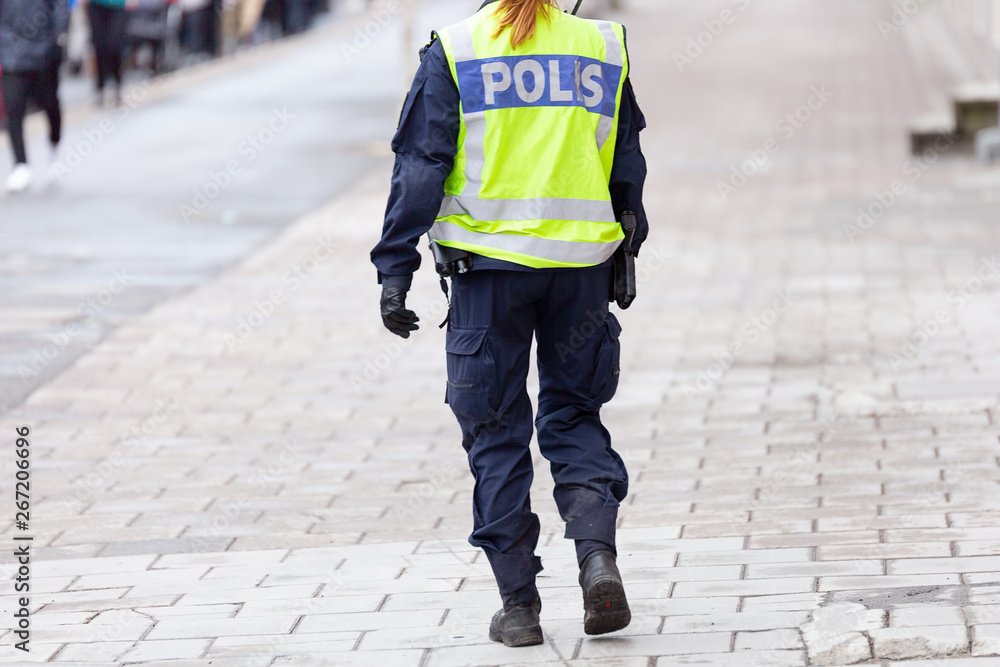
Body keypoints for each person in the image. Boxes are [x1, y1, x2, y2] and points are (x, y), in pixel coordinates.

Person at [370, 0, 648, 648]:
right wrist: (626, 248)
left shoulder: (458, 49)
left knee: (496, 433)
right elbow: (624, 161)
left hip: (487, 276)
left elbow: (421, 165)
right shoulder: (600, 45)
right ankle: (596, 558)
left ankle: (519, 606)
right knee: (574, 416)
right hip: (578, 272)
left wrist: (394, 267)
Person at [0, 0, 69, 193]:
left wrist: (56, 36)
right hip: (11, 53)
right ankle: (20, 164)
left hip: (44, 53)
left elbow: (60, 7)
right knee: (13, 108)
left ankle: (54, 148)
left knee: (50, 105)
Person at [84, 0, 130, 106]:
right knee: (99, 47)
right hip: (96, 5)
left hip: (117, 5)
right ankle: (100, 88)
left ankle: (117, 86)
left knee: (115, 46)